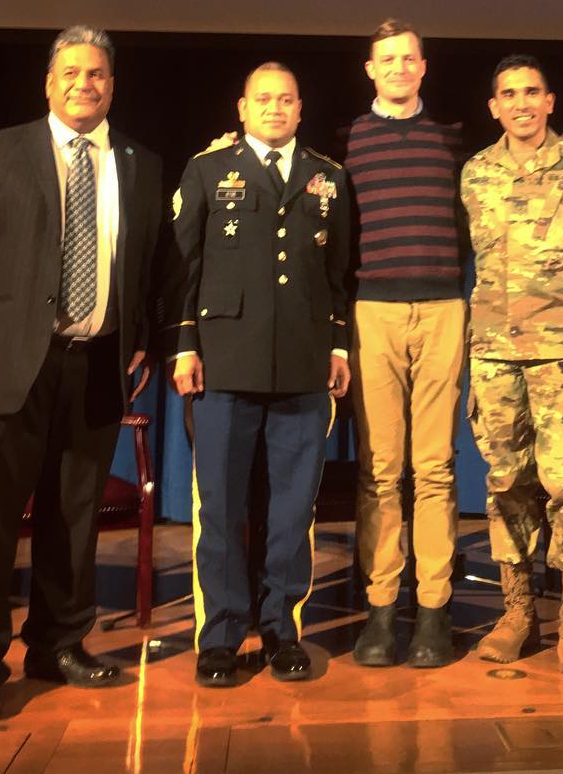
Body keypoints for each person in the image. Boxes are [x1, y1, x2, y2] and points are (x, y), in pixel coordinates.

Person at [0, 25, 163, 721]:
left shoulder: (142, 163)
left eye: (97, 74)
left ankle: (57, 644)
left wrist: (142, 338)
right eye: (71, 73)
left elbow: (150, 265)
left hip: (95, 364)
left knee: (74, 517)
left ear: (112, 85)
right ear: (49, 82)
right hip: (5, 365)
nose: (84, 84)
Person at [161, 62, 350, 685]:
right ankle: (219, 637)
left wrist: (339, 348)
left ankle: (280, 630)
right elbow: (184, 267)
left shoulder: (328, 176)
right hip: (224, 362)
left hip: (302, 363)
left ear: (300, 109)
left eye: (286, 99)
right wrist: (184, 345)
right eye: (263, 99)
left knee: (292, 511)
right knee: (220, 508)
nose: (275, 108)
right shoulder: (208, 169)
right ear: (242, 109)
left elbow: (338, 274)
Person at [461, 55, 563, 672]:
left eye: (531, 92)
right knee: (507, 485)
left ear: (550, 101)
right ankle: (518, 613)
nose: (521, 103)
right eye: (509, 94)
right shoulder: (476, 172)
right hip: (494, 356)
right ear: (494, 107)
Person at [342, 20, 466, 669]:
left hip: (443, 307)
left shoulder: (453, 140)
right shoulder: (348, 142)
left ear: (424, 66)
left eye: (408, 57)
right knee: (381, 469)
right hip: (374, 313)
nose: (398, 67)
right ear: (371, 69)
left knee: (436, 466)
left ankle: (435, 610)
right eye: (386, 58)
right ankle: (382, 609)